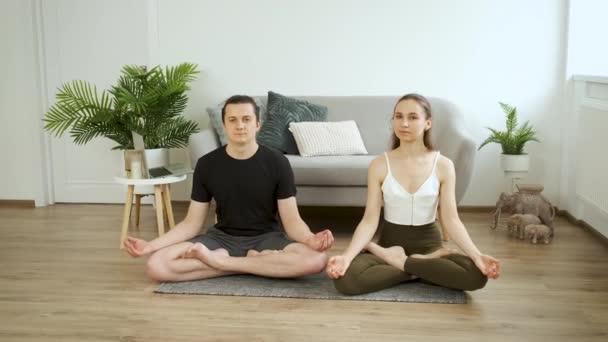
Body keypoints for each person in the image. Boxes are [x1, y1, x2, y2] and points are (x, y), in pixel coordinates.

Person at [124, 95, 334, 282]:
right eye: (232, 120)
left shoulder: (277, 162)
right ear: (224, 125)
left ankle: (223, 264)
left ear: (258, 124)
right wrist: (150, 246)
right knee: (156, 266)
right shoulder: (207, 164)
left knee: (316, 260)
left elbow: (293, 222)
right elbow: (191, 224)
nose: (240, 125)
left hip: (266, 239)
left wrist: (310, 239)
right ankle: (258, 266)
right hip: (220, 238)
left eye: (246, 119)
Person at [326, 93, 500, 295]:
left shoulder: (443, 165)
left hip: (430, 248)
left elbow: (451, 219)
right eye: (398, 117)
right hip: (389, 245)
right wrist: (347, 257)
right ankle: (420, 268)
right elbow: (369, 220)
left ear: (428, 123)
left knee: (476, 276)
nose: (404, 123)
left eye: (413, 117)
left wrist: (477, 256)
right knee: (346, 280)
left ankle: (402, 263)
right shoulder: (379, 164)